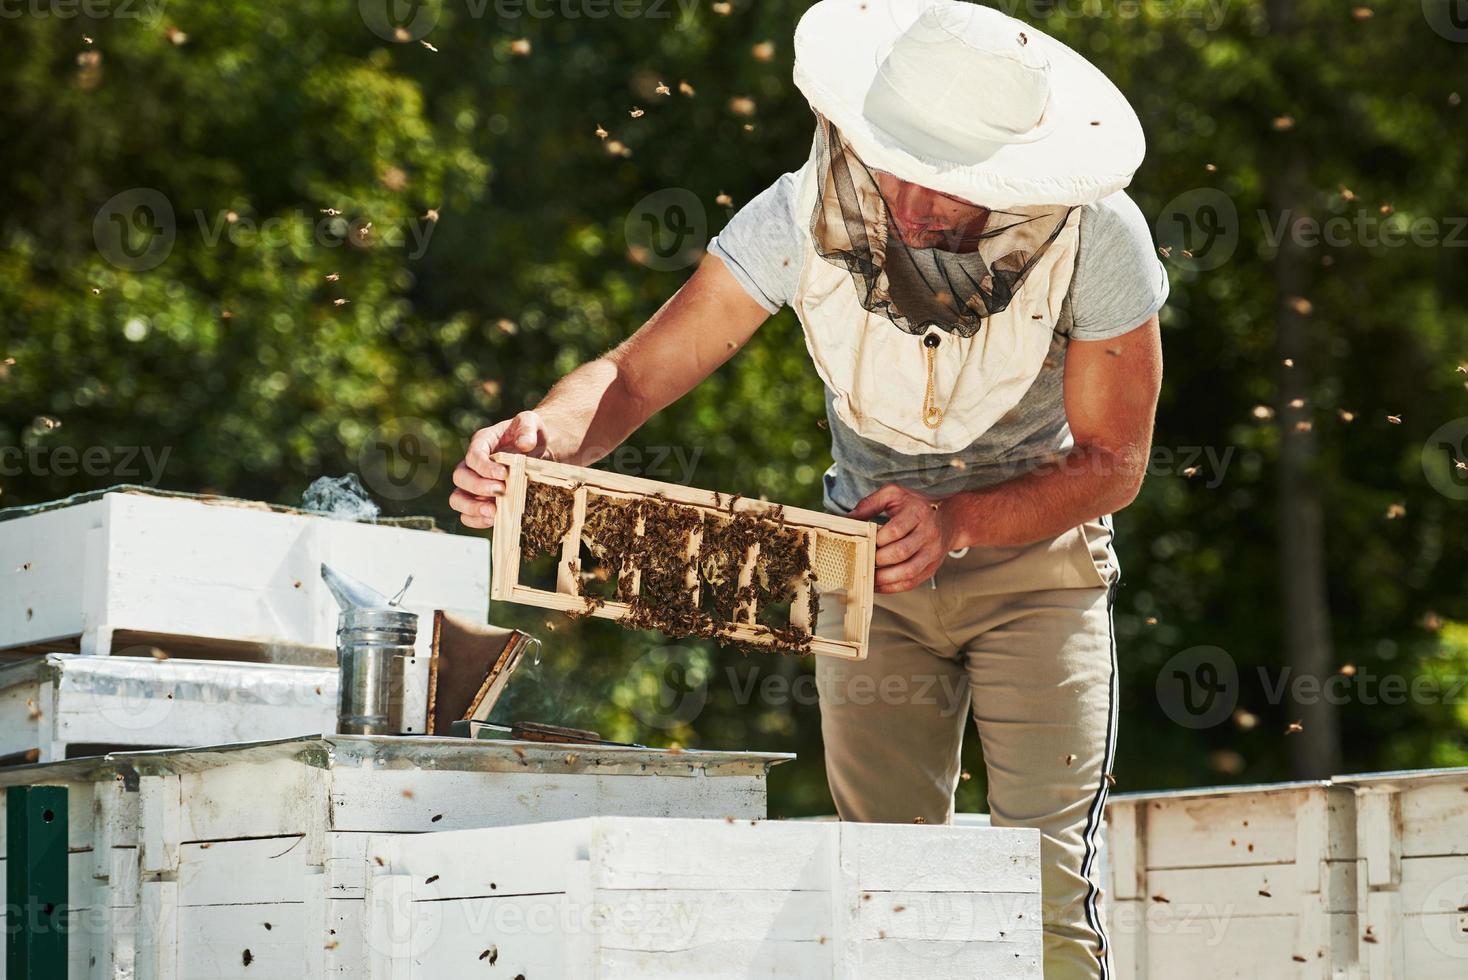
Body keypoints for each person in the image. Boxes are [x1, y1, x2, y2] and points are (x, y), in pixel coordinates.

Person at [451, 1, 1166, 976]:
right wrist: (541, 440)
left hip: (1035, 575)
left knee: (1040, 892)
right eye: (892, 158)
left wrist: (956, 519)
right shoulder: (798, 209)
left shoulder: (1099, 238)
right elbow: (636, 374)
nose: (910, 200)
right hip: (863, 579)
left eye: (946, 180)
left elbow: (1113, 461)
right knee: (890, 888)